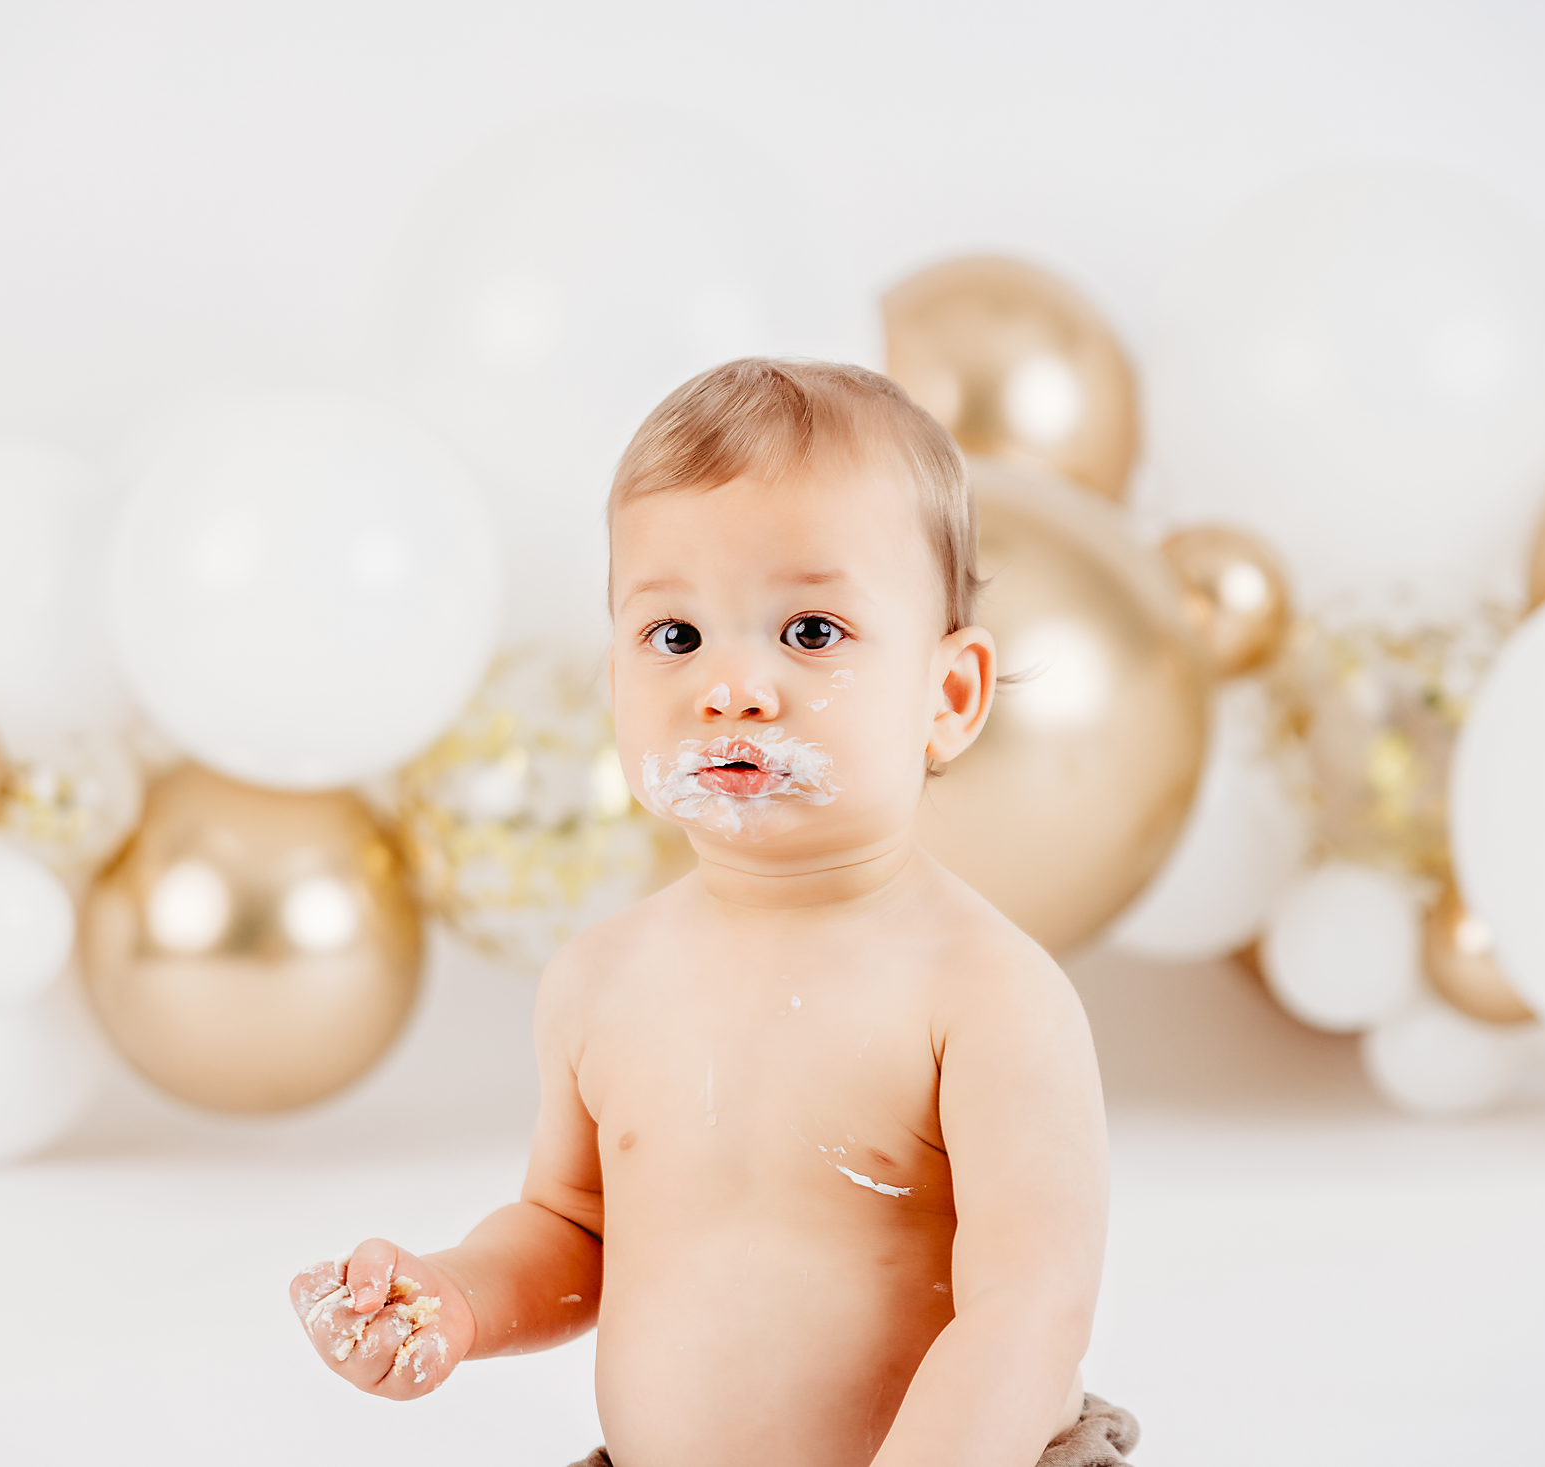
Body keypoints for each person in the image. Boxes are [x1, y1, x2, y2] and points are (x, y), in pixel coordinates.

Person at [289, 359, 1136, 1467]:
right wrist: (454, 1298)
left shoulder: (982, 994)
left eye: (810, 632)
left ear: (949, 696)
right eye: (675, 636)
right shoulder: (601, 982)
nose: (730, 687)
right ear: (614, 682)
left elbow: (1027, 1311)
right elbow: (574, 1233)